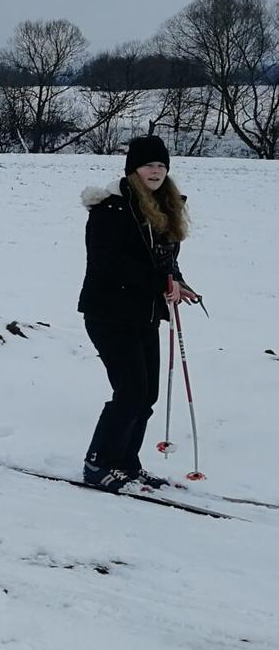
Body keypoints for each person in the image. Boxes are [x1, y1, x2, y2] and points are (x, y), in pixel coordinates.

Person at [77, 134, 199, 492]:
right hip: (108, 312)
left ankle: (127, 463)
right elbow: (108, 264)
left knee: (146, 396)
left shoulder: (163, 208)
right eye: (149, 165)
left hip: (145, 313)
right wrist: (161, 281)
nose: (156, 171)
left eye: (162, 165)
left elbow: (163, 262)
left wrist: (178, 282)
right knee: (130, 392)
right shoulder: (111, 209)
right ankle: (99, 463)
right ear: (133, 169)